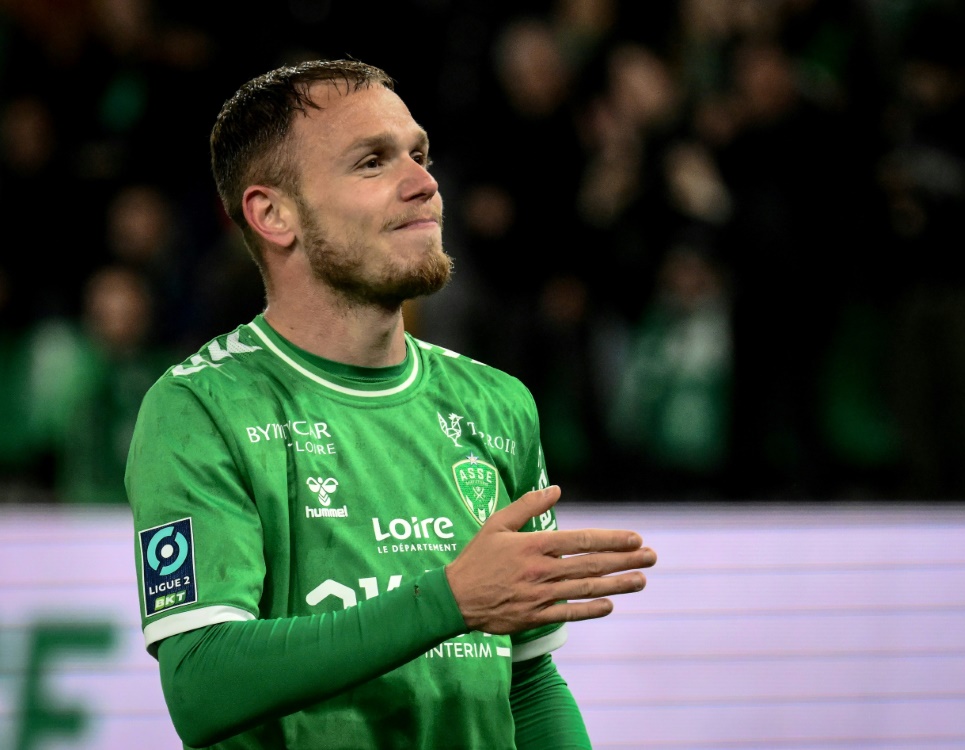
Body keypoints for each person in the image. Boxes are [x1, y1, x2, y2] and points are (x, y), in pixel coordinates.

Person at [124, 58, 657, 750]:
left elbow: (526, 683)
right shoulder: (199, 408)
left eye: (420, 154)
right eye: (372, 163)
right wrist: (449, 600)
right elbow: (201, 685)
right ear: (273, 213)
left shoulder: (497, 405)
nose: (425, 185)